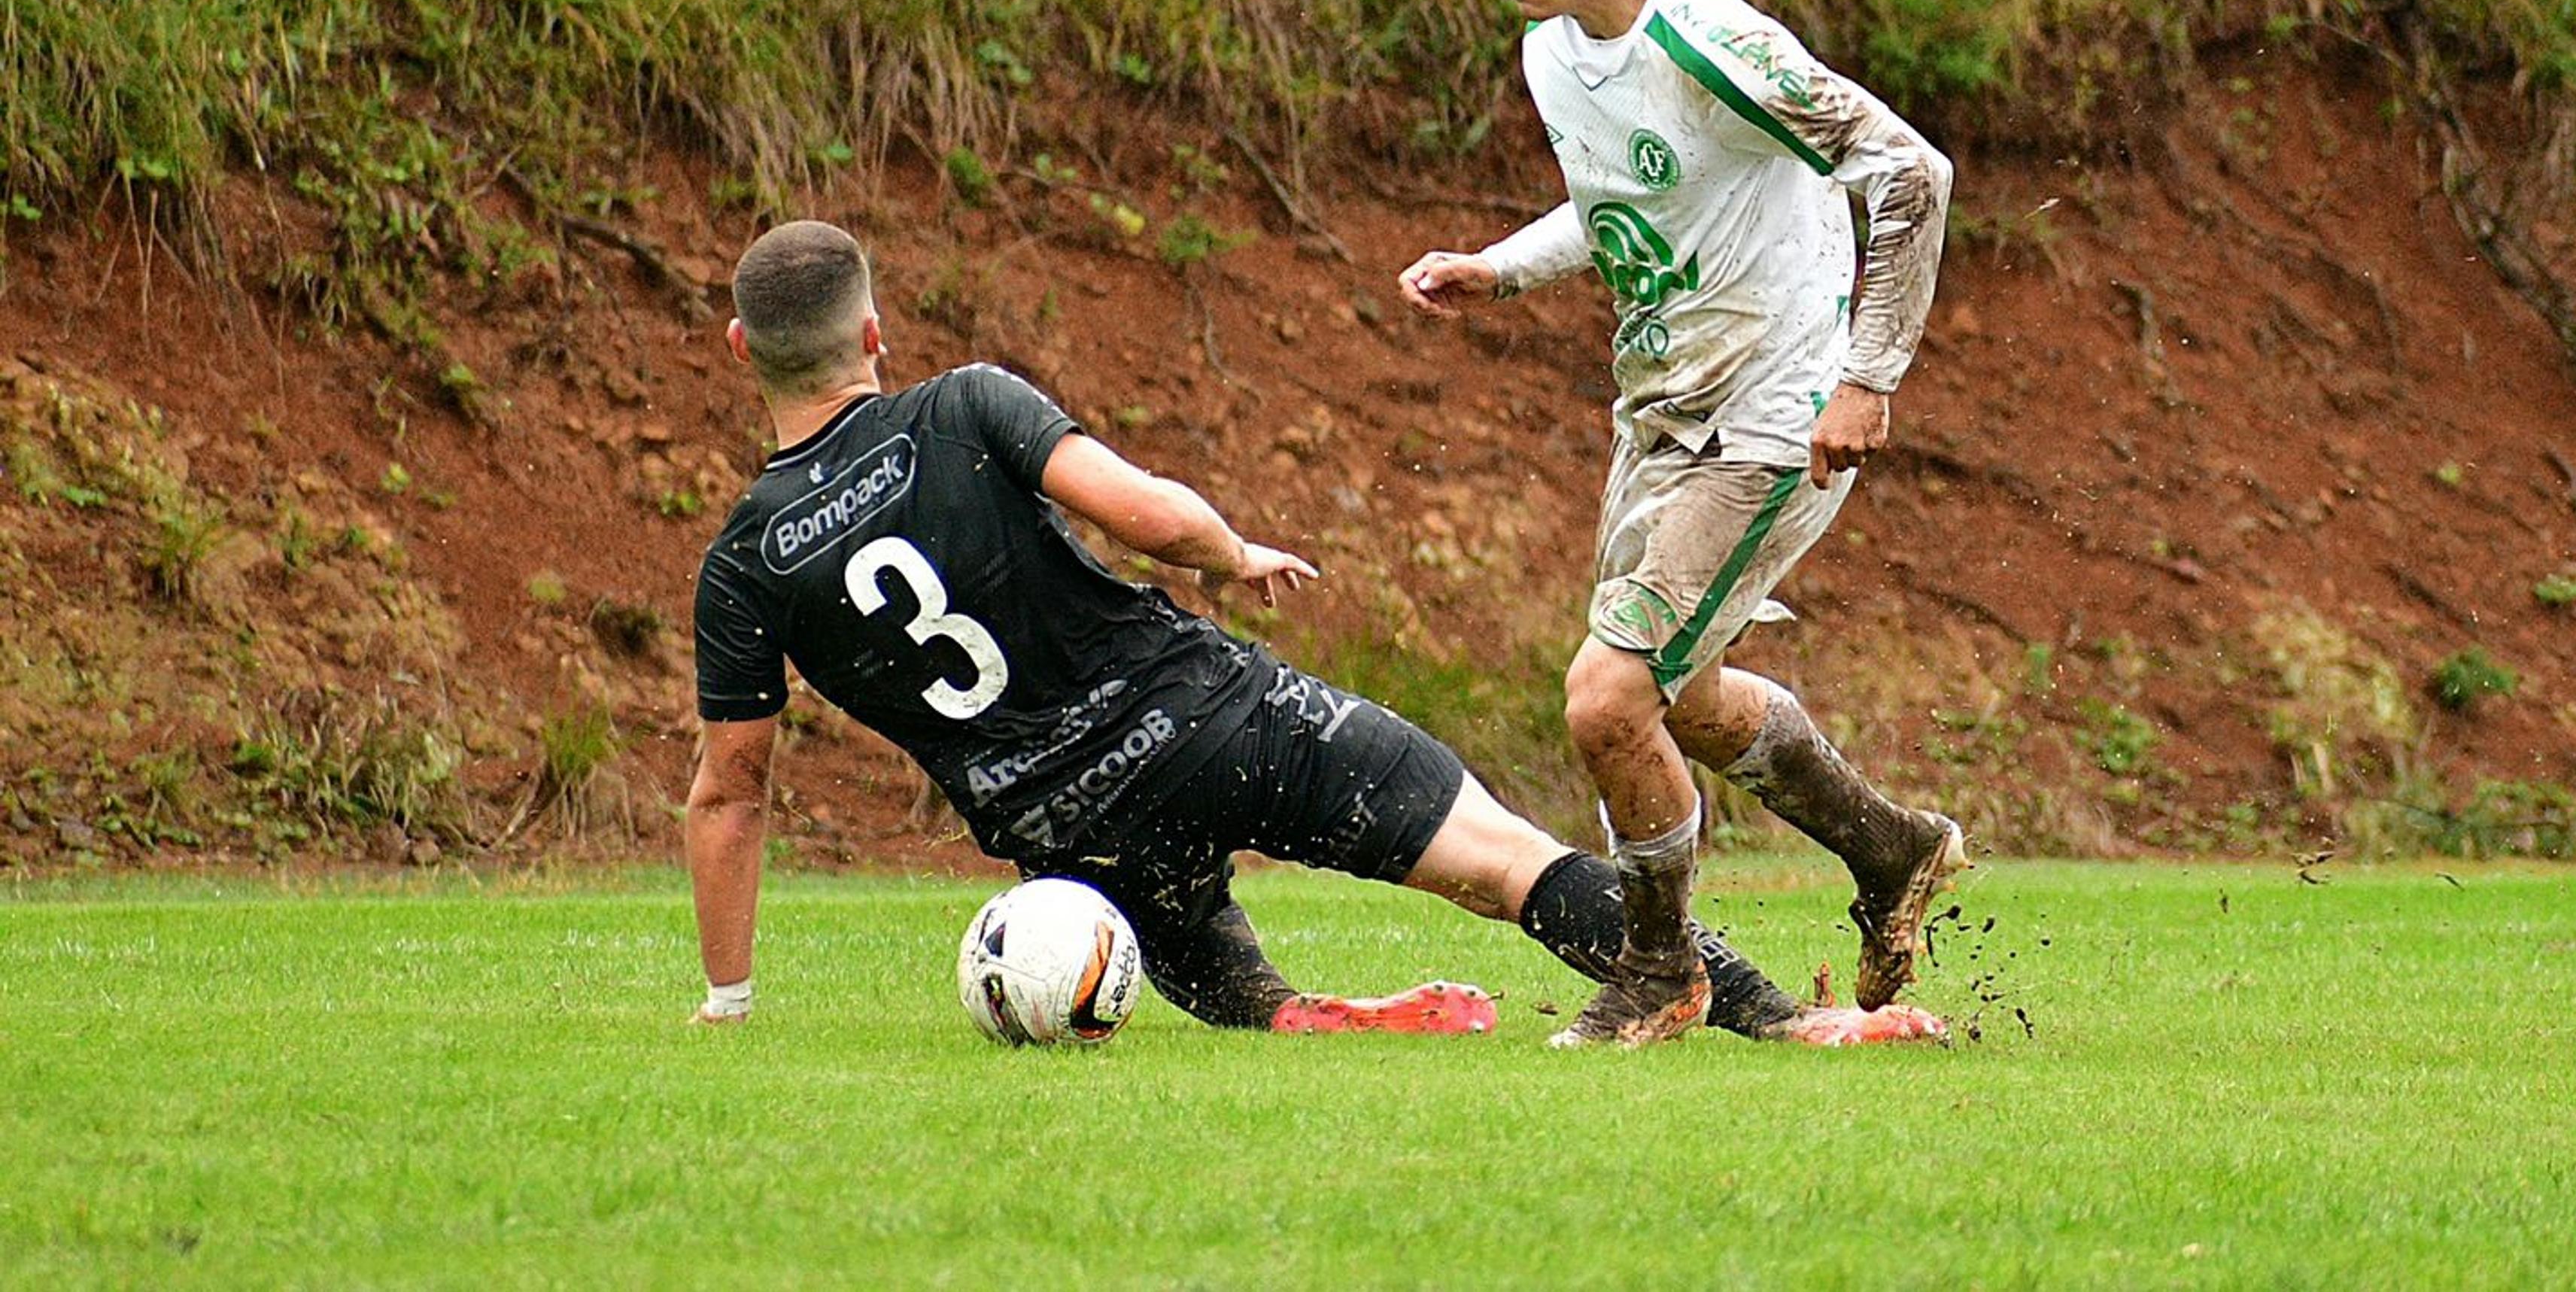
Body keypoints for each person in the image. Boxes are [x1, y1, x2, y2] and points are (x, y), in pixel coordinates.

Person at [686, 219, 1939, 1047]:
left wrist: (728, 999)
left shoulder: (743, 559)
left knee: (1225, 981)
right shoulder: (960, 403)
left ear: (743, 349)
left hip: (1063, 832)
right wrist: (1231, 552)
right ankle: (1790, 1025)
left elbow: (731, 789)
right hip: (1205, 713)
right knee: (1507, 863)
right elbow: (1138, 512)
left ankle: (1298, 1016)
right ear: (871, 331)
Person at [1399, 0, 1969, 1049]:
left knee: (1607, 699)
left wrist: (1866, 378)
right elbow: (1621, 205)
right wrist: (1500, 265)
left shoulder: (1715, 42)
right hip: (1659, 410)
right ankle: (1894, 847)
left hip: (1774, 414)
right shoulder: (1553, 47)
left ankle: (1661, 968)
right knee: (1685, 696)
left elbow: (1910, 172)